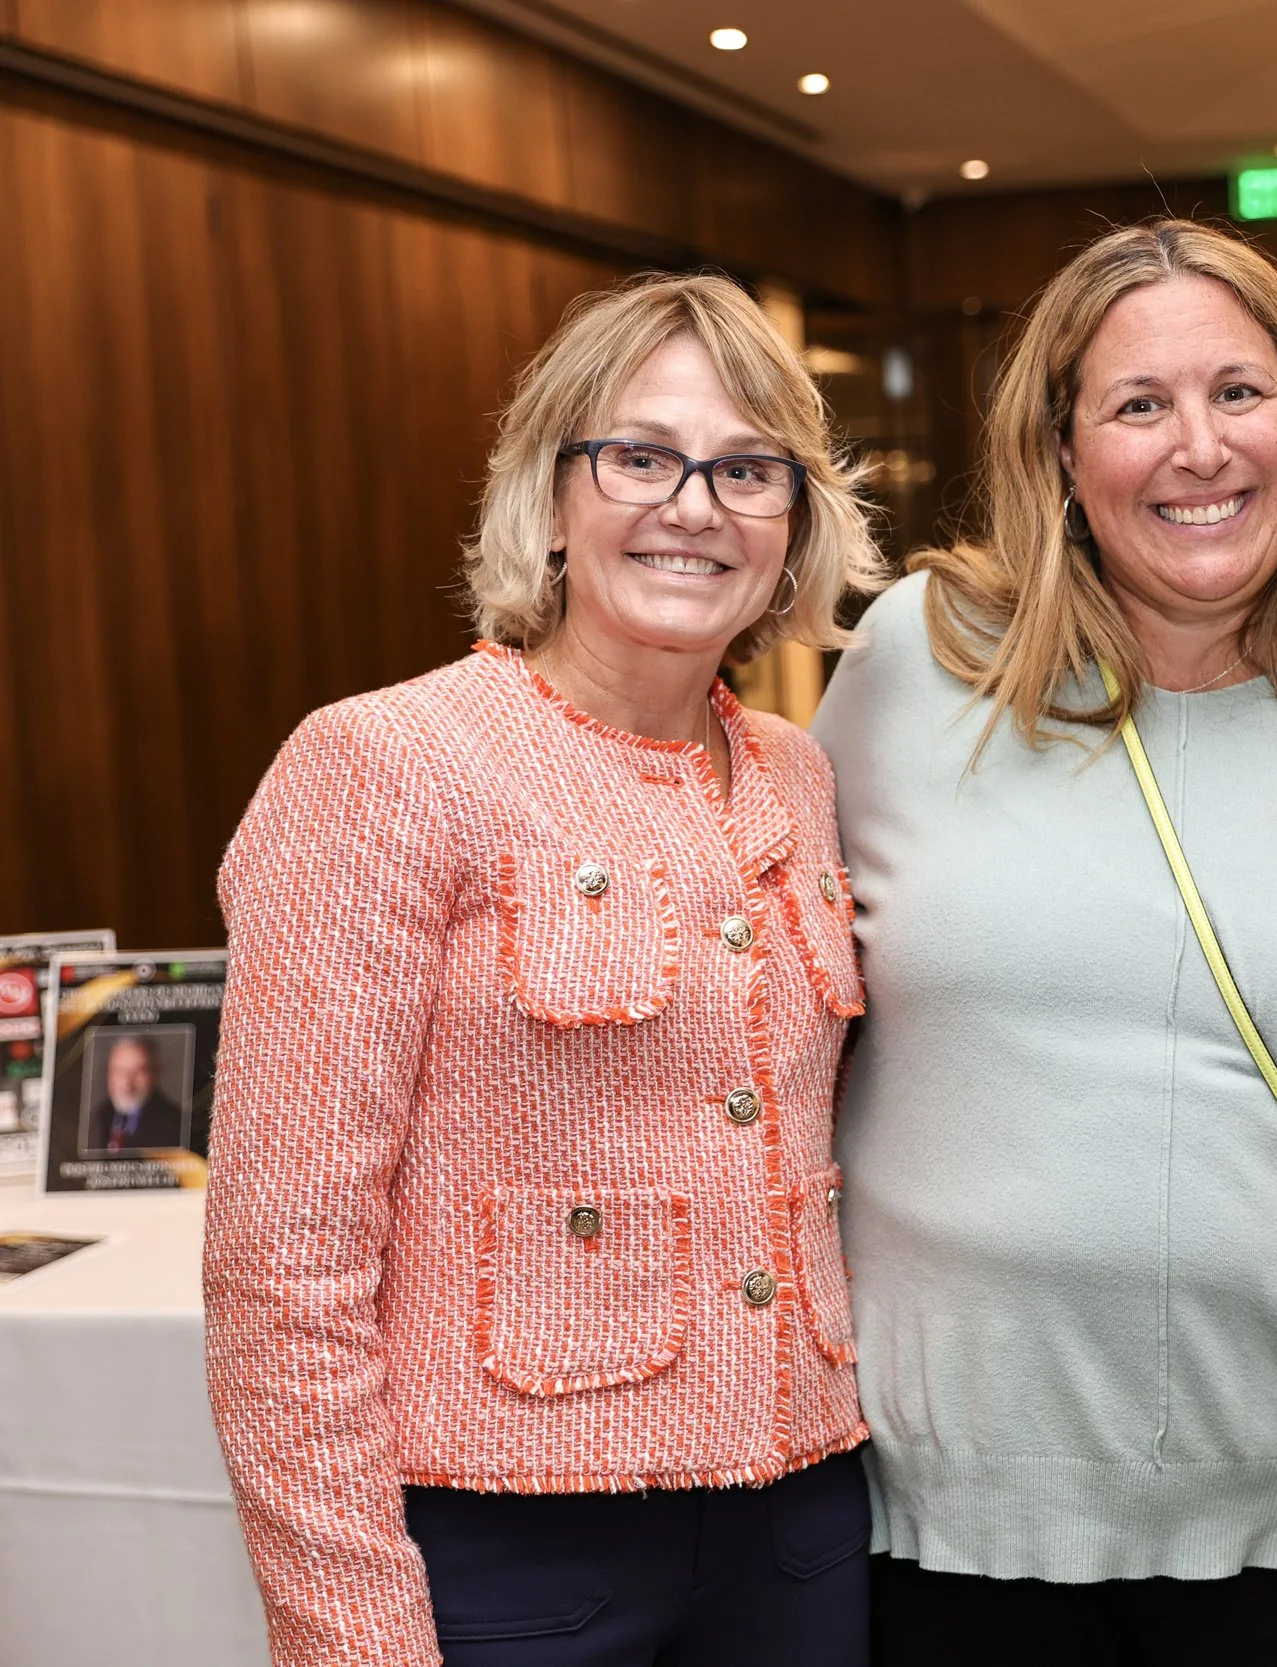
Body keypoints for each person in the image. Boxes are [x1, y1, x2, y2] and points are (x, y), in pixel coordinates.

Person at [810, 219, 1277, 1666]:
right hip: (938, 1515)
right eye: (1139, 406)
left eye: (1239, 392)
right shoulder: (916, 658)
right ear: (1061, 455)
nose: (1198, 446)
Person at [203, 272, 885, 1667]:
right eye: (640, 455)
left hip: (803, 1527)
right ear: (552, 492)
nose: (694, 506)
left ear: (796, 522)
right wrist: (350, 1633)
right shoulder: (386, 762)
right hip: (508, 1552)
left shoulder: (803, 778)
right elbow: (283, 1267)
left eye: (748, 470)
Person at [85, 1034, 184, 1151]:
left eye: (139, 1072)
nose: (127, 1083)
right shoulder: (98, 1117)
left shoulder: (176, 1124)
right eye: (119, 1071)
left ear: (155, 1074)